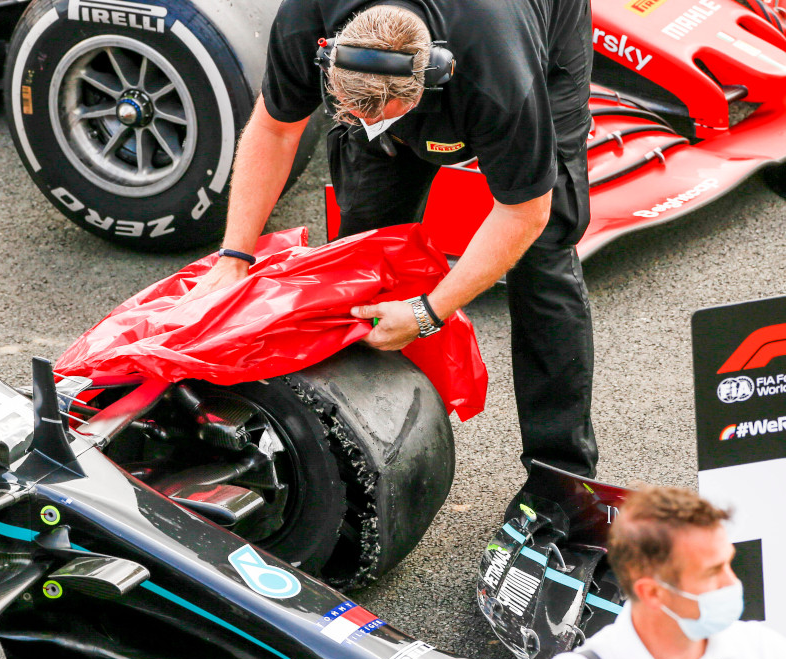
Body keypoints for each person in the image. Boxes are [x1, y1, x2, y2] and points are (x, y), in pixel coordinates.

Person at [184, 0, 598, 500]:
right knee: (360, 254)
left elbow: (524, 213)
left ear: (431, 83)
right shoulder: (306, 17)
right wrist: (234, 257)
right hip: (399, 73)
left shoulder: (499, 76)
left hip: (511, 31)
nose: (366, 123)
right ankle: (357, 448)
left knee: (545, 256)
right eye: (352, 111)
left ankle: (561, 480)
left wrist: (428, 313)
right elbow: (274, 128)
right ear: (328, 53)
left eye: (383, 116)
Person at [528, 486, 786, 659]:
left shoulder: (764, 652)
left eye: (729, 563)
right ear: (653, 593)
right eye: (712, 572)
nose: (732, 583)